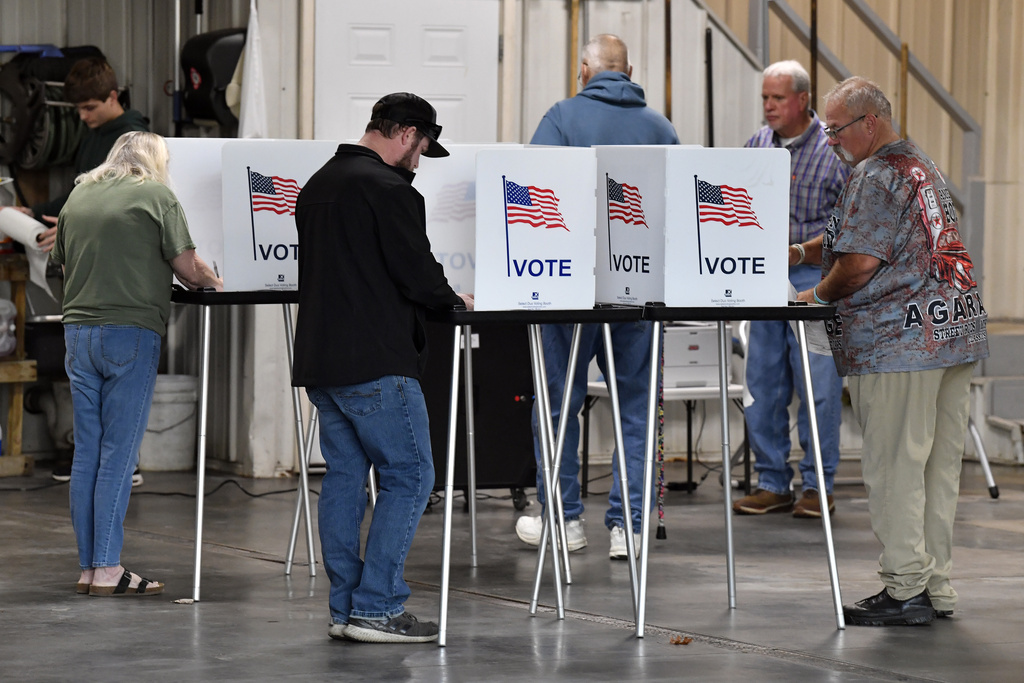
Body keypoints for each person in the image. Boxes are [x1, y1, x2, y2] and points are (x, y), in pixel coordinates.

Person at [793, 76, 988, 626]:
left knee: (895, 467)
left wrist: (814, 295)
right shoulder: (918, 164)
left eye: (834, 130)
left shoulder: (874, 175)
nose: (828, 140)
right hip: (955, 333)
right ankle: (935, 585)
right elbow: (847, 238)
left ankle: (904, 588)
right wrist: (794, 250)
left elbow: (856, 264)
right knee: (937, 470)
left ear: (867, 123)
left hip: (901, 342)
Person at [292, 93, 473, 644]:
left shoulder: (318, 184)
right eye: (421, 148)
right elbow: (415, 271)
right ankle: (377, 608)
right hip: (376, 360)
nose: (420, 161)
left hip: (323, 360)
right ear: (404, 133)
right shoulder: (390, 190)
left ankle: (346, 609)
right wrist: (454, 301)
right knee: (412, 475)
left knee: (346, 479)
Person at [513, 34, 679, 560]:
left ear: (583, 69)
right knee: (635, 407)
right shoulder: (661, 127)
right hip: (640, 290)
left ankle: (563, 521)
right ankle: (629, 527)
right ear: (629, 71)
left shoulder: (561, 117)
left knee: (559, 405)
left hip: (570, 289)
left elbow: (534, 196)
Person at [50, 131, 223, 597]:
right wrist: (219, 282)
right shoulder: (156, 195)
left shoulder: (79, 196)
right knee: (119, 454)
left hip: (78, 333)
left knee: (87, 452)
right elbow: (188, 268)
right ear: (155, 160)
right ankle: (108, 568)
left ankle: (90, 568)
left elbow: (60, 268)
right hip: (130, 333)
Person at [10, 56, 149, 482]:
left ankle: (124, 460)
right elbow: (81, 192)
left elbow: (128, 201)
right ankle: (88, 454)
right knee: (86, 364)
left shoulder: (133, 138)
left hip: (115, 268)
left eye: (90, 108)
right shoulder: (94, 136)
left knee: (114, 365)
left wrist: (72, 222)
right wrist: (36, 211)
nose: (84, 117)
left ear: (114, 96)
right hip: (87, 262)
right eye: (77, 110)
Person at [733, 61, 851, 518]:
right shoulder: (756, 146)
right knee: (761, 381)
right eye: (765, 97)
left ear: (802, 99)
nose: (768, 107)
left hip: (818, 281)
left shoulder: (833, 149)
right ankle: (771, 482)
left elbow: (849, 226)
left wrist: (805, 256)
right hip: (762, 278)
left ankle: (818, 487)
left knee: (819, 387)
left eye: (777, 98)